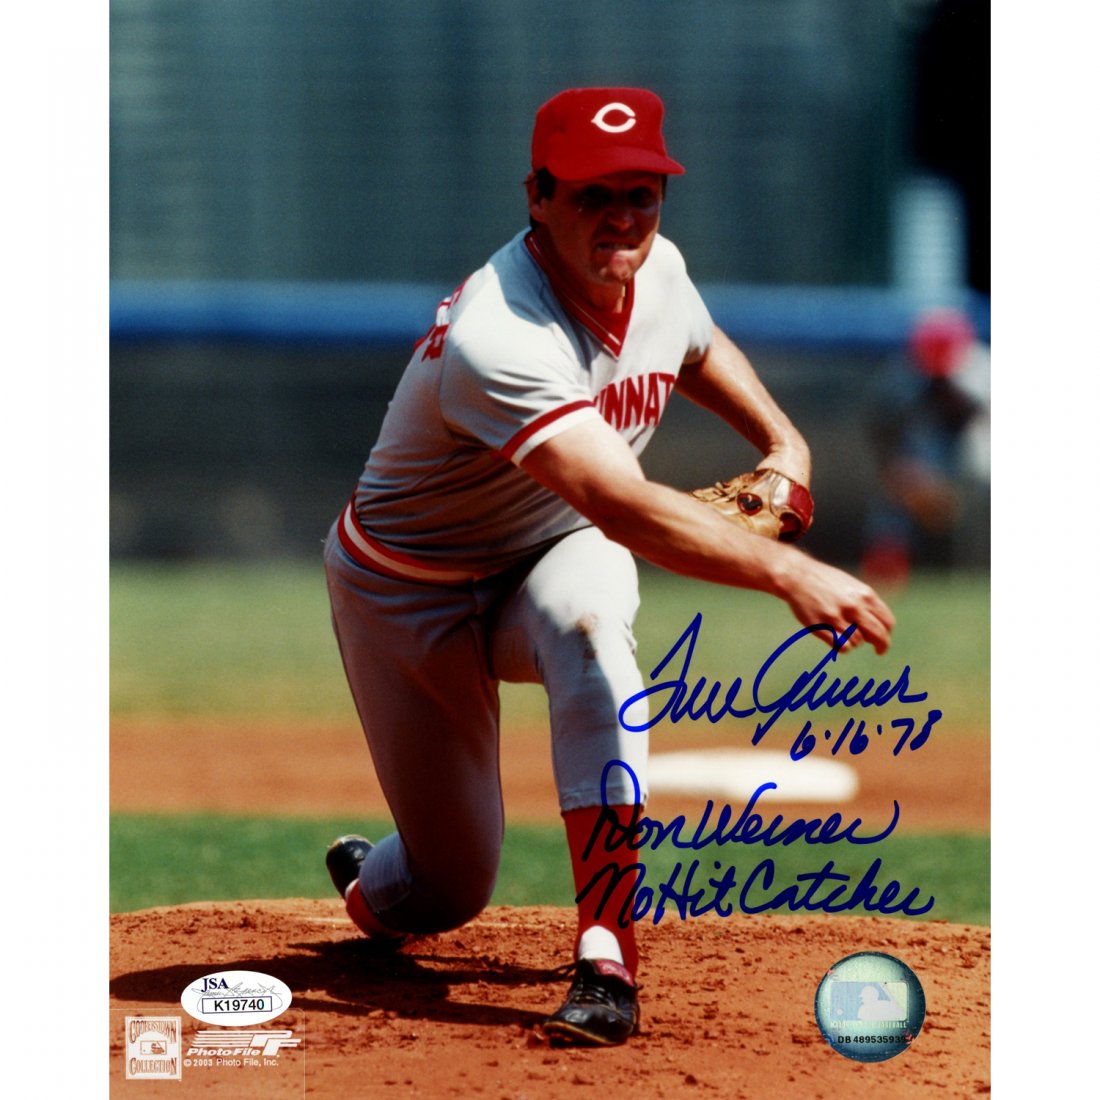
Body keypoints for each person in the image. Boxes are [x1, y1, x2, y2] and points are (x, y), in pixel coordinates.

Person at [323, 87, 895, 1046]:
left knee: (591, 630)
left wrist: (784, 440)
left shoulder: (656, 266)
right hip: (406, 590)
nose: (623, 218)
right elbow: (622, 505)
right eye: (594, 194)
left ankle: (606, 953)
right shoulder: (501, 334)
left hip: (553, 547)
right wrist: (791, 574)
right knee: (450, 887)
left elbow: (694, 343)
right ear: (538, 197)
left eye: (642, 193)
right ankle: (374, 886)